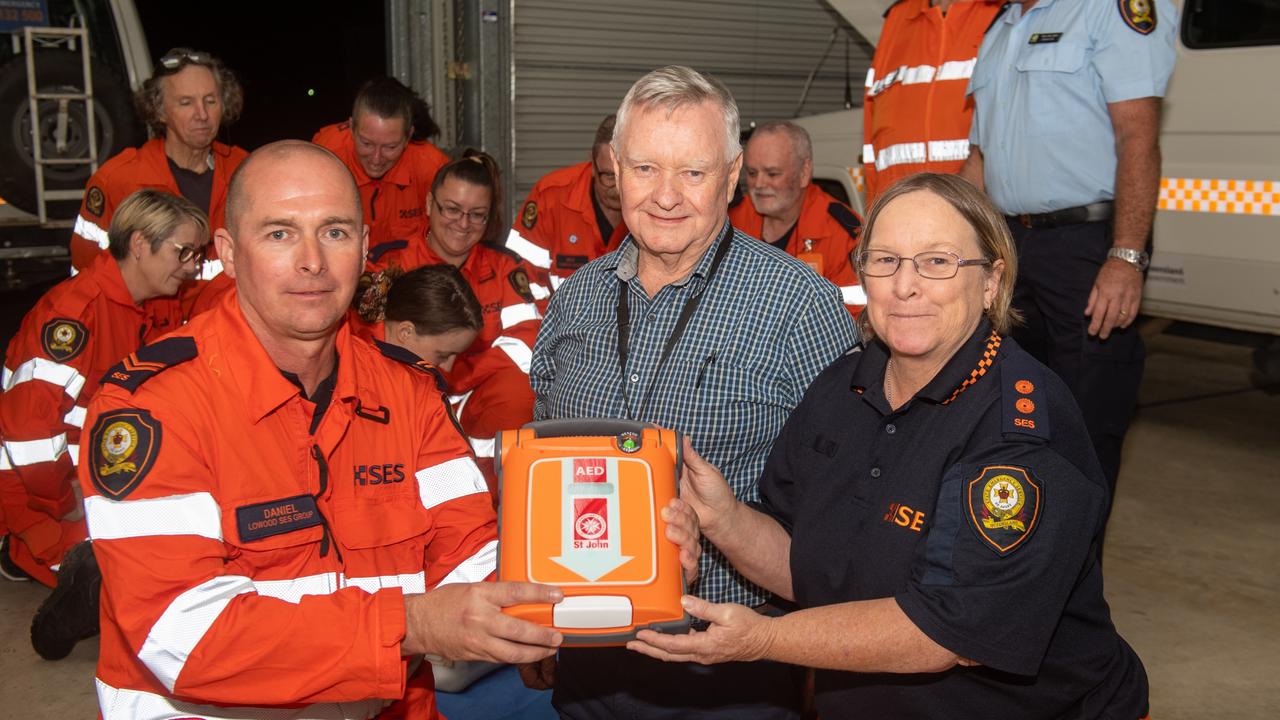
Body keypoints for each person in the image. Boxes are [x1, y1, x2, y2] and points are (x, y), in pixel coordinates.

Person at [628, 173, 1150, 719]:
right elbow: (809, 566)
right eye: (885, 261)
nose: (906, 286)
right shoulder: (841, 386)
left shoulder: (1018, 429)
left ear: (993, 281)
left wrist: (764, 639)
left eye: (937, 261)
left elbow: (944, 633)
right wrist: (725, 519)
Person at [74, 141, 563, 718]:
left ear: (363, 251)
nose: (312, 261)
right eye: (279, 234)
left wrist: (568, 595)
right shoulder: (155, 406)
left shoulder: (409, 391)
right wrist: (409, 626)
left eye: (334, 232)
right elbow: (182, 637)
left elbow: (469, 553)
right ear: (228, 254)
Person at [528, 65, 857, 720]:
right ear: (615, 170)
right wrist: (529, 608)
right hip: (585, 657)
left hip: (729, 664)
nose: (667, 196)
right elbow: (540, 473)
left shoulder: (801, 308)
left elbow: (847, 523)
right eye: (646, 169)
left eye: (694, 172)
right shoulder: (574, 302)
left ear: (732, 176)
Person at [958, 0, 1177, 505]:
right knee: (1015, 415)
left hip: (1085, 246)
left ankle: (1078, 578)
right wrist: (944, 247)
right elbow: (979, 160)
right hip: (1011, 243)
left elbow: (1138, 134)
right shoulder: (1001, 27)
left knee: (1086, 422)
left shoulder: (1108, 10)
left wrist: (1126, 257)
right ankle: (1027, 567)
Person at [0, 190, 208, 600]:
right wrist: (63, 506)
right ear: (138, 244)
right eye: (183, 252)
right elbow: (28, 435)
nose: (193, 267)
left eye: (196, 254)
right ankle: (19, 548)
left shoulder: (140, 305)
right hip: (46, 498)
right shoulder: (74, 315)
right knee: (132, 594)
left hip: (96, 480)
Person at [70, 47, 246, 283]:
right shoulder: (118, 179)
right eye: (186, 103)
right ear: (160, 111)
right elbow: (86, 276)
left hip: (225, 317)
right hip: (150, 319)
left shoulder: (246, 172)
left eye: (210, 101)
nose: (202, 114)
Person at [375, 263, 523, 490]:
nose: (449, 366)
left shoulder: (413, 378)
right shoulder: (358, 377)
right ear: (405, 332)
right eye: (443, 354)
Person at [861, 0, 1004, 204]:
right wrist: (875, 213)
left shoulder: (1003, 11)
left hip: (978, 214)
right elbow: (872, 136)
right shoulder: (898, 17)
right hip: (900, 214)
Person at [313, 76, 451, 273]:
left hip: (408, 277)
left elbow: (450, 241)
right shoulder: (325, 157)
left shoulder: (432, 167)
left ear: (408, 137)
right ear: (351, 128)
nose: (376, 158)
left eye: (390, 147)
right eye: (366, 144)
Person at [729, 121, 865, 316]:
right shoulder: (730, 222)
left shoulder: (843, 235)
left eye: (772, 173)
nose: (758, 184)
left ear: (804, 172)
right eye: (752, 173)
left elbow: (853, 322)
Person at [506, 114, 627, 300]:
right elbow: (520, 275)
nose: (618, 188)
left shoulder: (658, 202)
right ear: (592, 165)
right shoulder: (551, 198)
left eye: (626, 176)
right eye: (609, 176)